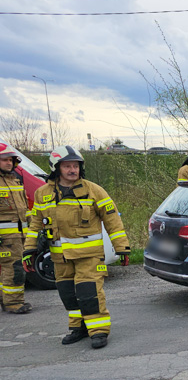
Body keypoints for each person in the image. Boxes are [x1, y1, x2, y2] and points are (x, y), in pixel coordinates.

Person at [22, 146, 131, 349]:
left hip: (89, 256)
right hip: (60, 258)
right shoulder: (42, 194)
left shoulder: (93, 190)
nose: (73, 170)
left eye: (76, 166)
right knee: (68, 294)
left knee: (89, 292)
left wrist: (122, 247)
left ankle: (98, 330)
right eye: (67, 166)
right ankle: (78, 327)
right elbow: (35, 225)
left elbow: (112, 220)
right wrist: (29, 250)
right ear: (56, 168)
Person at [0, 143, 32, 314]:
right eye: (4, 160)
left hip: (19, 235)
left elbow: (23, 210)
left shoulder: (14, 181)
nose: (9, 163)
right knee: (14, 267)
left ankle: (5, 298)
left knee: (8, 267)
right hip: (5, 237)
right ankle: (13, 302)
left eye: (11, 160)